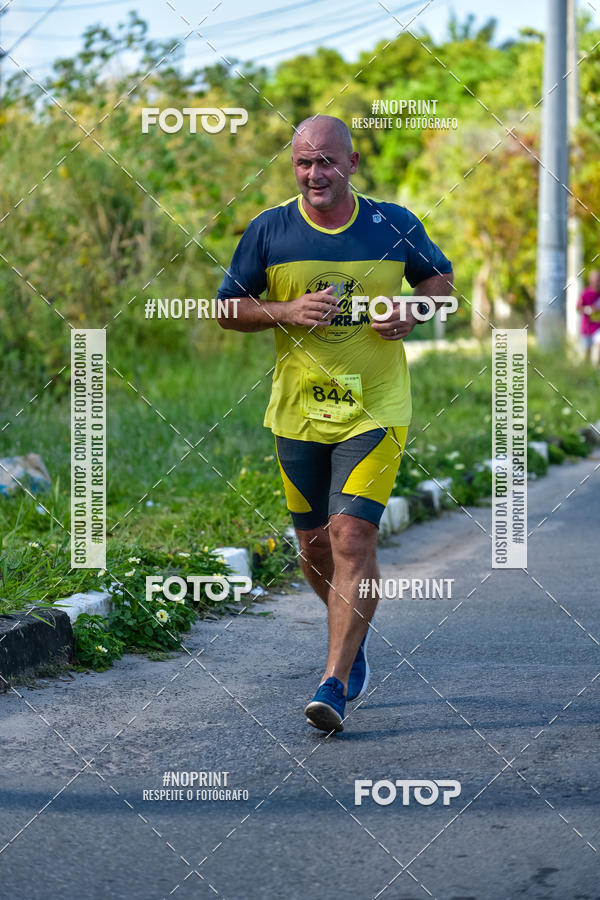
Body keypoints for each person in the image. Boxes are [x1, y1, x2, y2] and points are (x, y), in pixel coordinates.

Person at [217, 115, 453, 733]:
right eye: (303, 162)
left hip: (376, 409)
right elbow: (227, 309)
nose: (314, 173)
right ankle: (355, 632)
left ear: (352, 163)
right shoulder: (269, 229)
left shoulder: (393, 223)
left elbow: (441, 285)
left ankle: (334, 682)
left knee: (351, 538)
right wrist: (285, 310)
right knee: (315, 548)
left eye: (326, 161)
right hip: (298, 410)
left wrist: (413, 308)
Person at [577, 271, 600, 363]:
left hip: (598, 328)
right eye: (595, 281)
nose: (597, 283)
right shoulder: (585, 293)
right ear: (590, 281)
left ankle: (597, 368)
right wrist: (589, 309)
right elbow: (578, 308)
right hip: (587, 328)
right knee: (587, 353)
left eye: (598, 280)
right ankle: (587, 369)